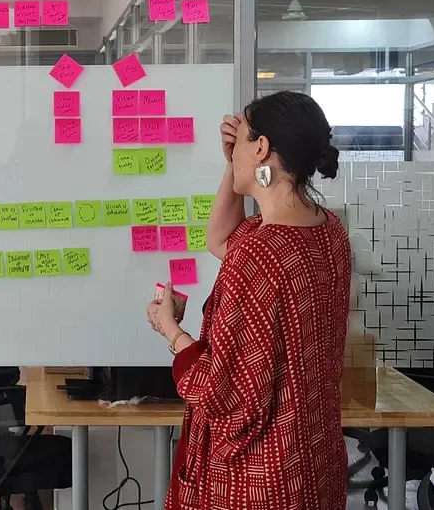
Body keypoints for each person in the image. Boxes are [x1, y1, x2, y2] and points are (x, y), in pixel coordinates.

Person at [145, 91, 352, 510]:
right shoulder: (328, 231)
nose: (231, 149)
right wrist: (233, 165)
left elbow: (224, 394)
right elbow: (220, 239)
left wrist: (172, 331)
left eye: (240, 141)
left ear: (260, 148)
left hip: (258, 478)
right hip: (312, 457)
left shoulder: (259, 255)